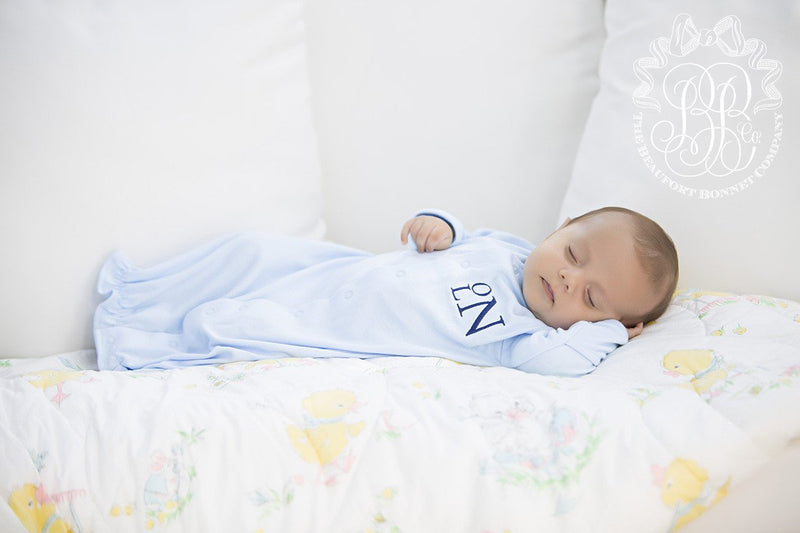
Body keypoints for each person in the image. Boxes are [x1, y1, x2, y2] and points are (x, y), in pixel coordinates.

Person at [94, 207, 678, 376]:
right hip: (343, 273)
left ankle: (135, 345)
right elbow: (459, 236)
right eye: (574, 254)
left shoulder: (523, 340)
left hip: (339, 329)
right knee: (251, 252)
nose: (570, 279)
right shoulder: (509, 249)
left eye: (592, 299)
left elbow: (565, 362)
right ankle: (137, 300)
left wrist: (606, 333)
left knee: (233, 324)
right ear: (560, 229)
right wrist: (439, 226)